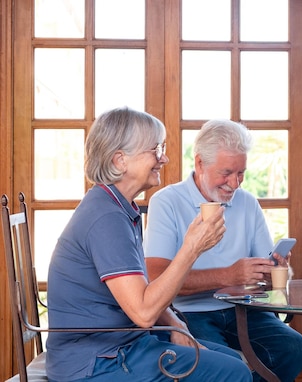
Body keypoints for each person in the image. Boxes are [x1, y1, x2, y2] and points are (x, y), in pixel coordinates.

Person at [46, 107, 252, 382]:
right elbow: (143, 313)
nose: (163, 158)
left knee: (231, 360)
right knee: (235, 373)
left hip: (121, 345)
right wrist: (192, 248)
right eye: (155, 150)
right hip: (97, 361)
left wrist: (176, 324)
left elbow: (140, 293)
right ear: (120, 160)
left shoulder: (117, 207)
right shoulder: (106, 218)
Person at [143, 119, 302, 381]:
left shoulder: (247, 203)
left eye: (241, 173)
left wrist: (275, 271)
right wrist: (228, 276)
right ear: (199, 164)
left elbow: (274, 277)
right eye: (226, 173)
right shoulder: (167, 202)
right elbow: (155, 278)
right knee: (222, 363)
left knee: (295, 348)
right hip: (190, 312)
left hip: (245, 309)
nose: (235, 183)